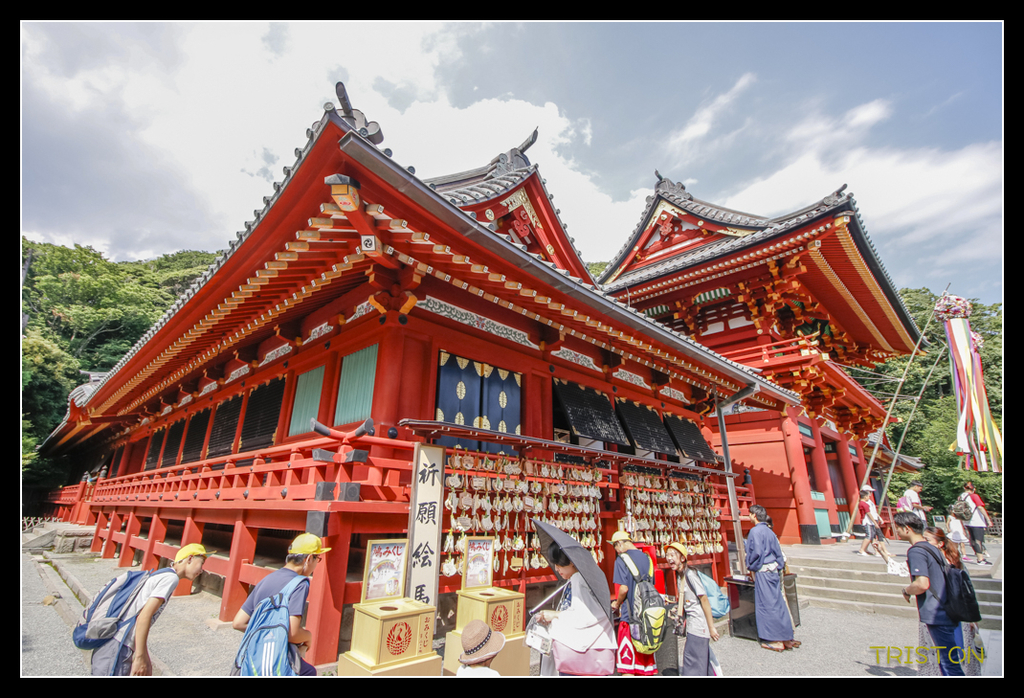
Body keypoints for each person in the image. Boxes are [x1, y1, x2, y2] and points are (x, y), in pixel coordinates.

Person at [91, 543, 211, 676]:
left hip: (113, 641)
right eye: (201, 563)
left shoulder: (162, 573)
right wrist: (140, 657)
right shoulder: (170, 579)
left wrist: (144, 655)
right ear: (190, 559)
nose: (201, 570)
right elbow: (144, 617)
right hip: (119, 645)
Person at [232, 533, 330, 676]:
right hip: (275, 661)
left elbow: (238, 623)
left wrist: (265, 633)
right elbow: (292, 633)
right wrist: (308, 637)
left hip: (253, 657)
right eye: (318, 559)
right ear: (309, 559)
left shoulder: (267, 579)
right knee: (309, 671)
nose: (316, 564)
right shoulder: (300, 584)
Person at [894, 512, 964, 676]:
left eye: (897, 528)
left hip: (936, 611)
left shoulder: (916, 551)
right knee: (948, 660)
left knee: (948, 664)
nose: (896, 531)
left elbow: (922, 584)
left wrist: (906, 590)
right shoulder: (931, 547)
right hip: (947, 606)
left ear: (907, 528)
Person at [535, 543, 616, 676]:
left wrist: (555, 616)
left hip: (578, 649)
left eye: (559, 564)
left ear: (571, 561)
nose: (556, 568)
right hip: (592, 649)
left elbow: (583, 617)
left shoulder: (579, 580)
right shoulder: (587, 577)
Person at [920, 527, 981, 676]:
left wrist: (971, 617)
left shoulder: (952, 561)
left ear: (940, 543)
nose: (923, 542)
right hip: (942, 611)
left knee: (952, 655)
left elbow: (967, 590)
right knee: (946, 655)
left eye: (927, 540)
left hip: (950, 612)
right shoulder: (928, 559)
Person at [745, 505, 798, 652]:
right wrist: (779, 566)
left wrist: (751, 566)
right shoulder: (770, 531)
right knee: (778, 602)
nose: (749, 516)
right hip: (774, 569)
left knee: (767, 604)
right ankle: (787, 637)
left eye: (750, 514)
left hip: (763, 570)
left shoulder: (755, 531)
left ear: (754, 515)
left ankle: (775, 639)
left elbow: (756, 552)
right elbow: (778, 552)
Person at [665, 541, 720, 676]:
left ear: (683, 558)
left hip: (698, 626)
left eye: (672, 555)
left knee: (693, 664)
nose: (669, 558)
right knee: (701, 663)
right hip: (692, 626)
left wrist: (711, 627)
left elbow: (704, 600)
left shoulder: (690, 575)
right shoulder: (680, 576)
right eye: (667, 555)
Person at [609, 530, 658, 675]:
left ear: (620, 543)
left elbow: (623, 589)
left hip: (629, 619)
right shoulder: (647, 559)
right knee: (645, 668)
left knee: (628, 667)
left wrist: (617, 603)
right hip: (647, 619)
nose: (616, 551)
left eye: (615, 546)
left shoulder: (621, 559)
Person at [958, 482, 994, 566]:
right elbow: (980, 507)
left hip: (967, 521)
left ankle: (979, 557)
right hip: (977, 521)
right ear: (973, 489)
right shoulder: (974, 496)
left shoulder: (961, 497)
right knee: (978, 540)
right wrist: (988, 519)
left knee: (973, 539)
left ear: (964, 488)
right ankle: (980, 559)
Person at [857, 489, 893, 561]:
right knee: (869, 535)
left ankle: (868, 550)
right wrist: (875, 522)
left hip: (868, 521)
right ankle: (862, 549)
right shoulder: (865, 504)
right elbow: (868, 513)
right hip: (867, 521)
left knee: (871, 535)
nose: (869, 497)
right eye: (868, 496)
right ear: (865, 496)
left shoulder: (861, 503)